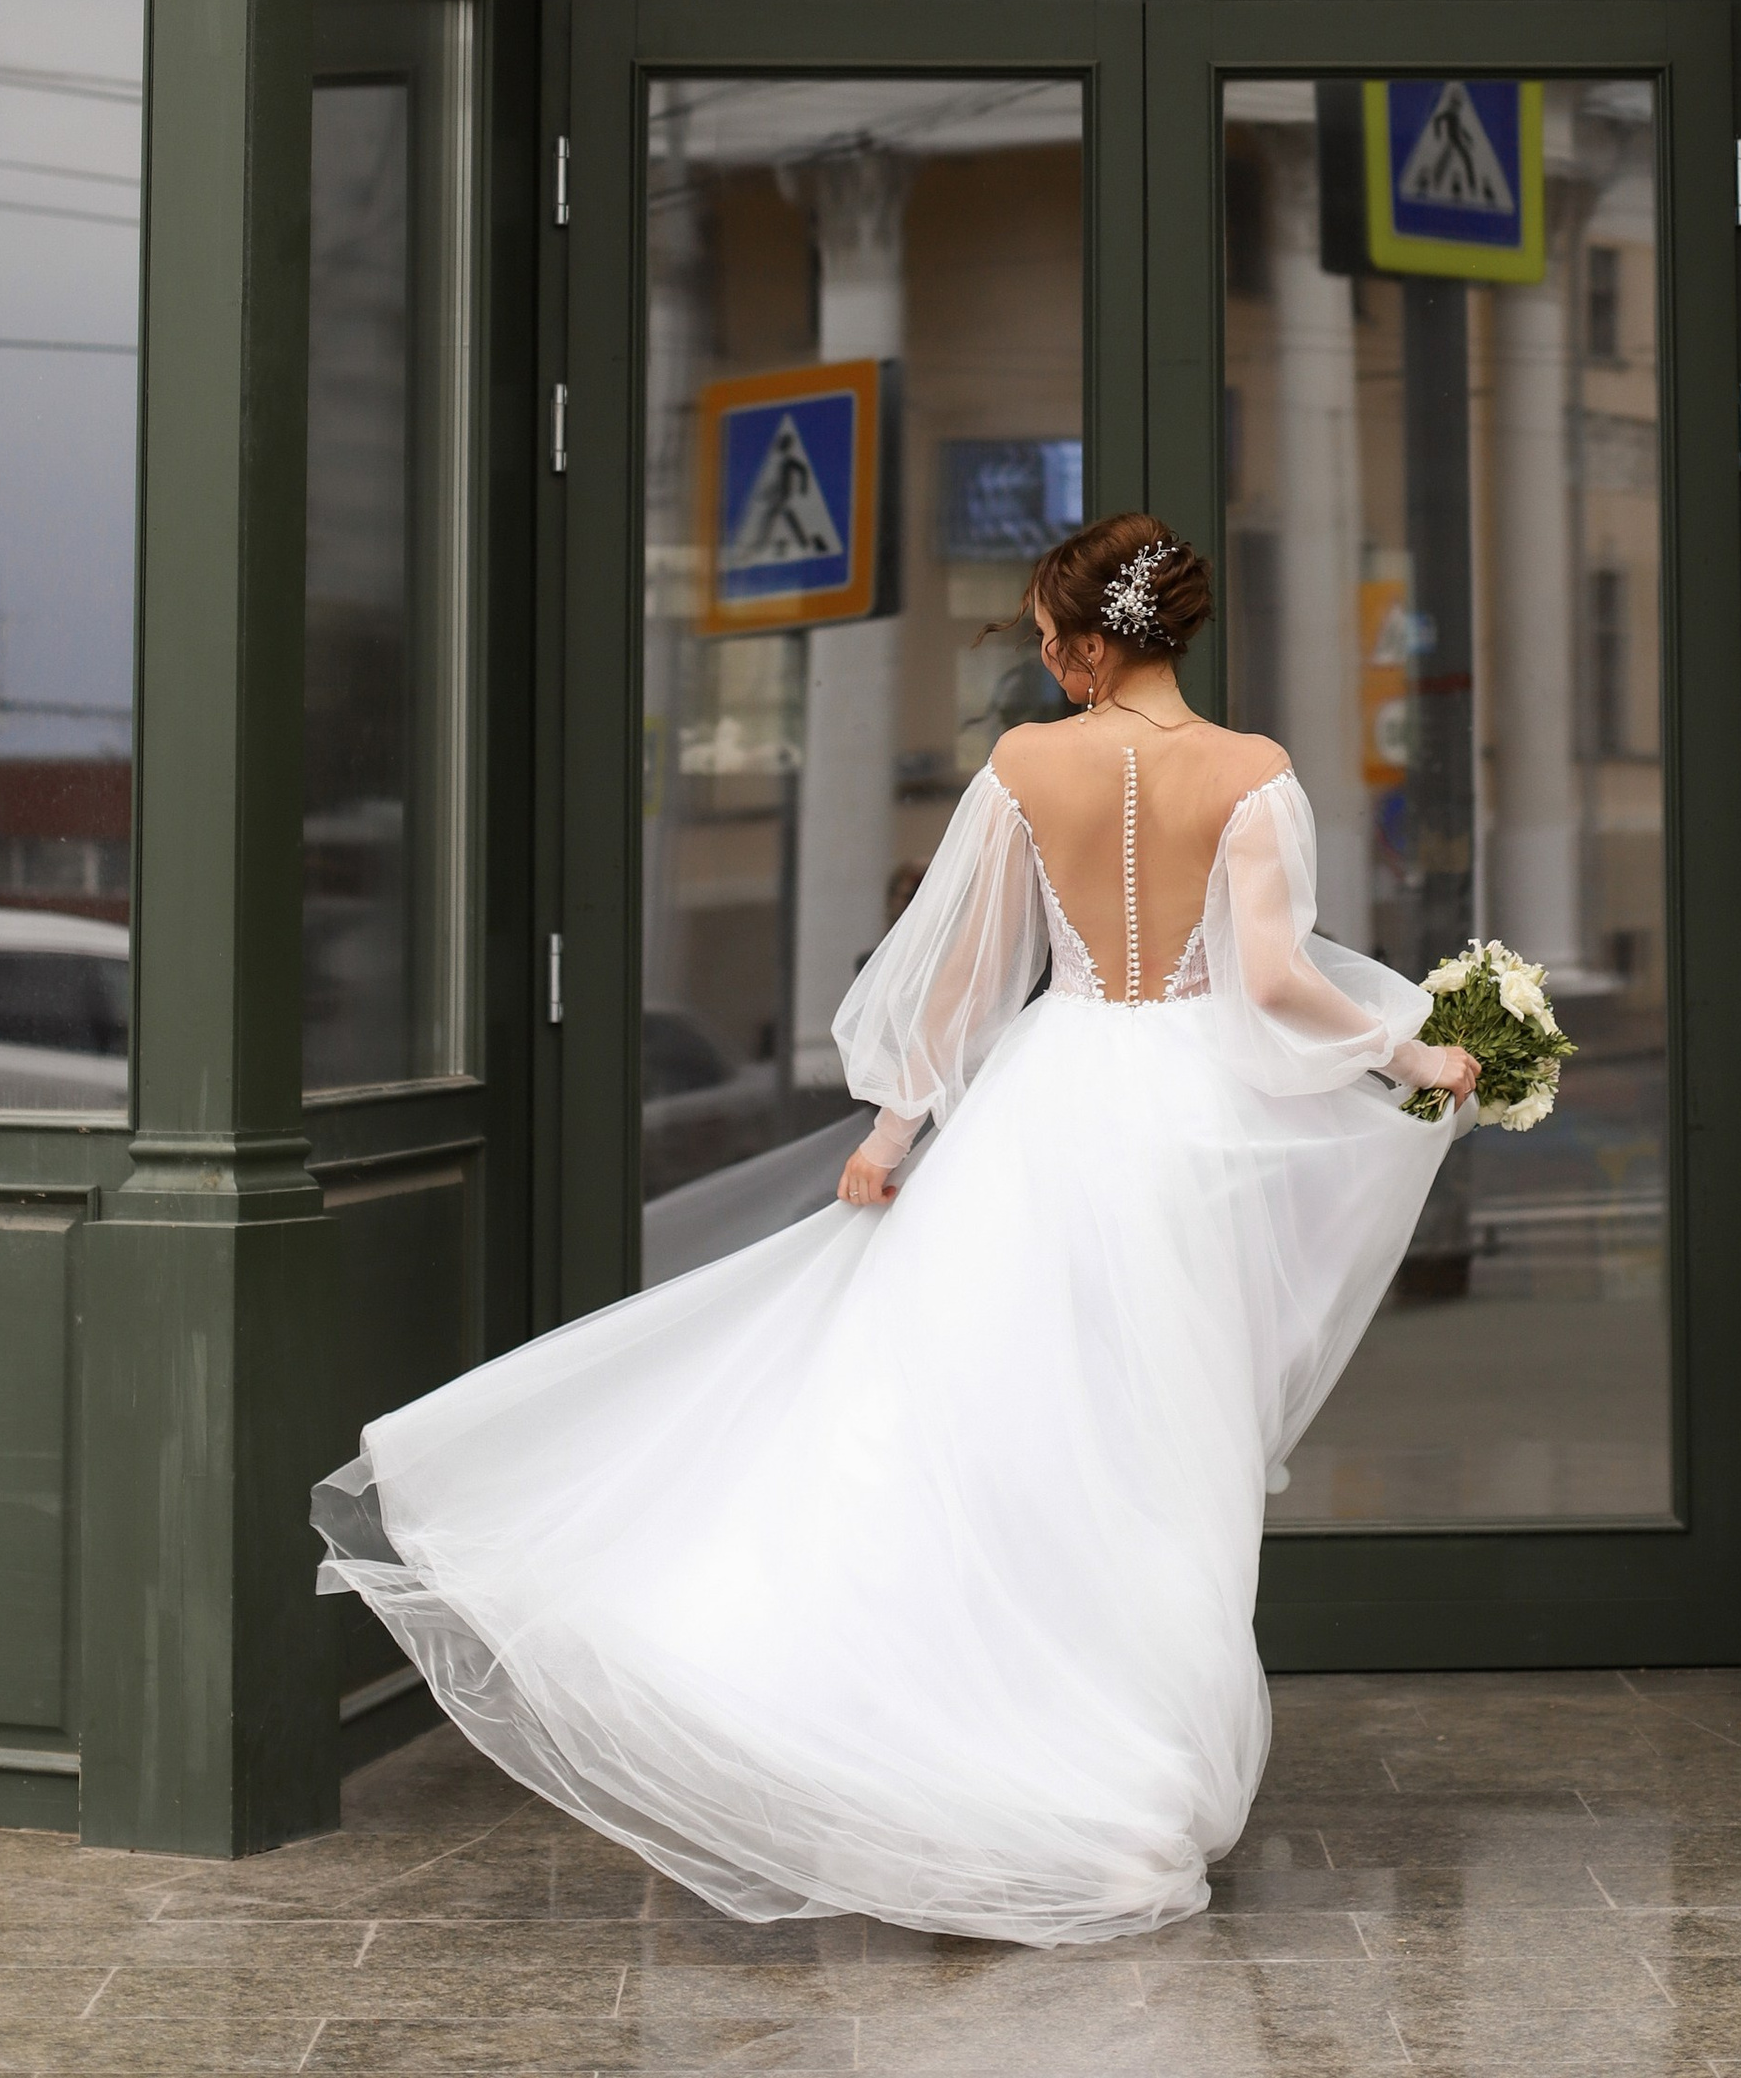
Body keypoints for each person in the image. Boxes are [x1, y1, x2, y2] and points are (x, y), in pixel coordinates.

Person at [313, 512, 1476, 1947]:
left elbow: (968, 972)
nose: (1046, 663)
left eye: (1052, 639)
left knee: (985, 1436)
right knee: (1153, 1448)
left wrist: (893, 1131)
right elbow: (1280, 983)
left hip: (1047, 1110)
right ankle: (1125, 1778)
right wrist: (1417, 1052)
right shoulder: (1253, 774)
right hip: (1181, 1131)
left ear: (1094, 638)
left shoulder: (1024, 767)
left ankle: (969, 1744)